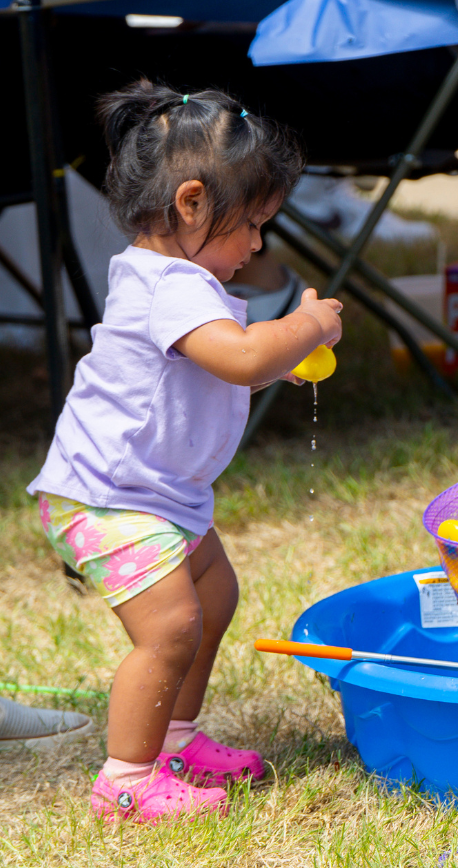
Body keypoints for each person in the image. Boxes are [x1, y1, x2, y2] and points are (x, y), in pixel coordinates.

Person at [25, 81, 343, 822]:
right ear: (192, 202)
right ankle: (127, 780)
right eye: (253, 225)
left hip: (156, 494)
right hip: (108, 497)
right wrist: (308, 326)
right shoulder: (171, 285)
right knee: (171, 626)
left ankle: (176, 741)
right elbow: (237, 358)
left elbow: (220, 370)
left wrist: (273, 362)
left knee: (214, 596)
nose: (259, 244)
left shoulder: (177, 283)